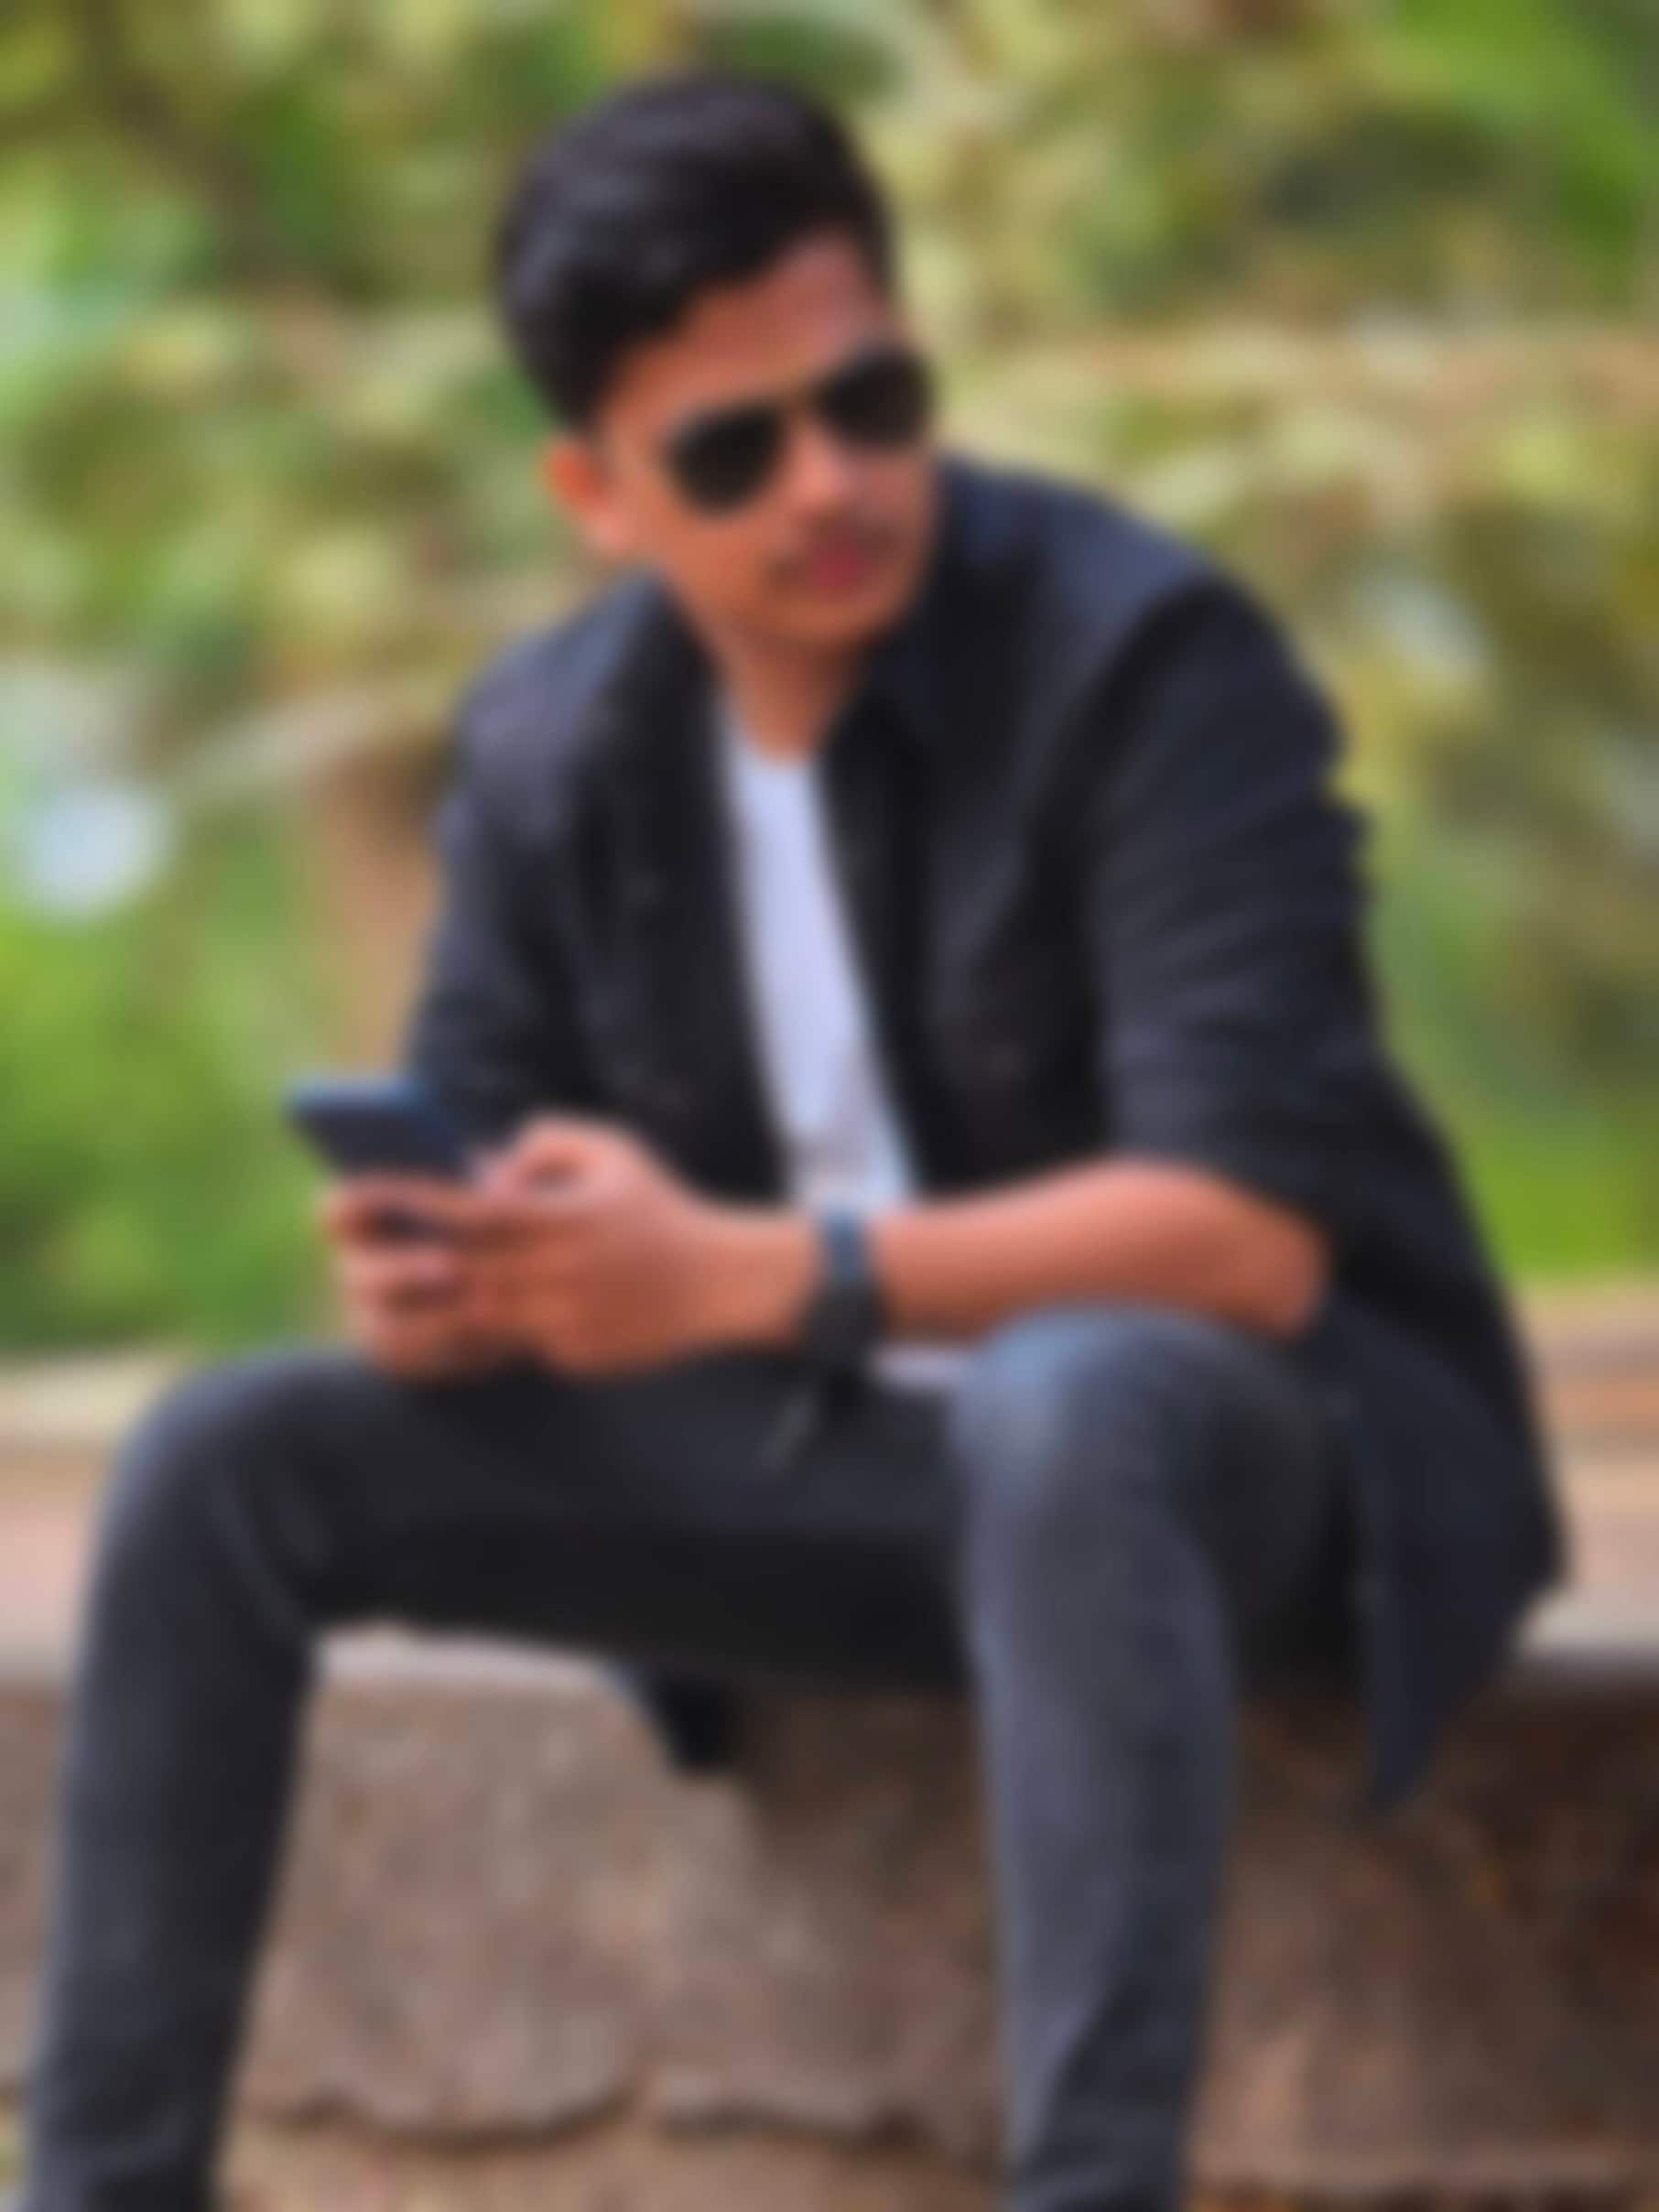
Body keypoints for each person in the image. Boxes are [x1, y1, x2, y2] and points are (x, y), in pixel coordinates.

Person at [13, 65, 1565, 2212]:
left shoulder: (1147, 660)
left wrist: (756, 1271)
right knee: (224, 1455)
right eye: (735, 449)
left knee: (1067, 1396)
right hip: (842, 1482)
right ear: (598, 493)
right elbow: (486, 1149)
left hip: (1232, 1480)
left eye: (872, 400)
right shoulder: (551, 746)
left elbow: (1250, 1240)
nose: (831, 481)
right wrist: (456, 1290)